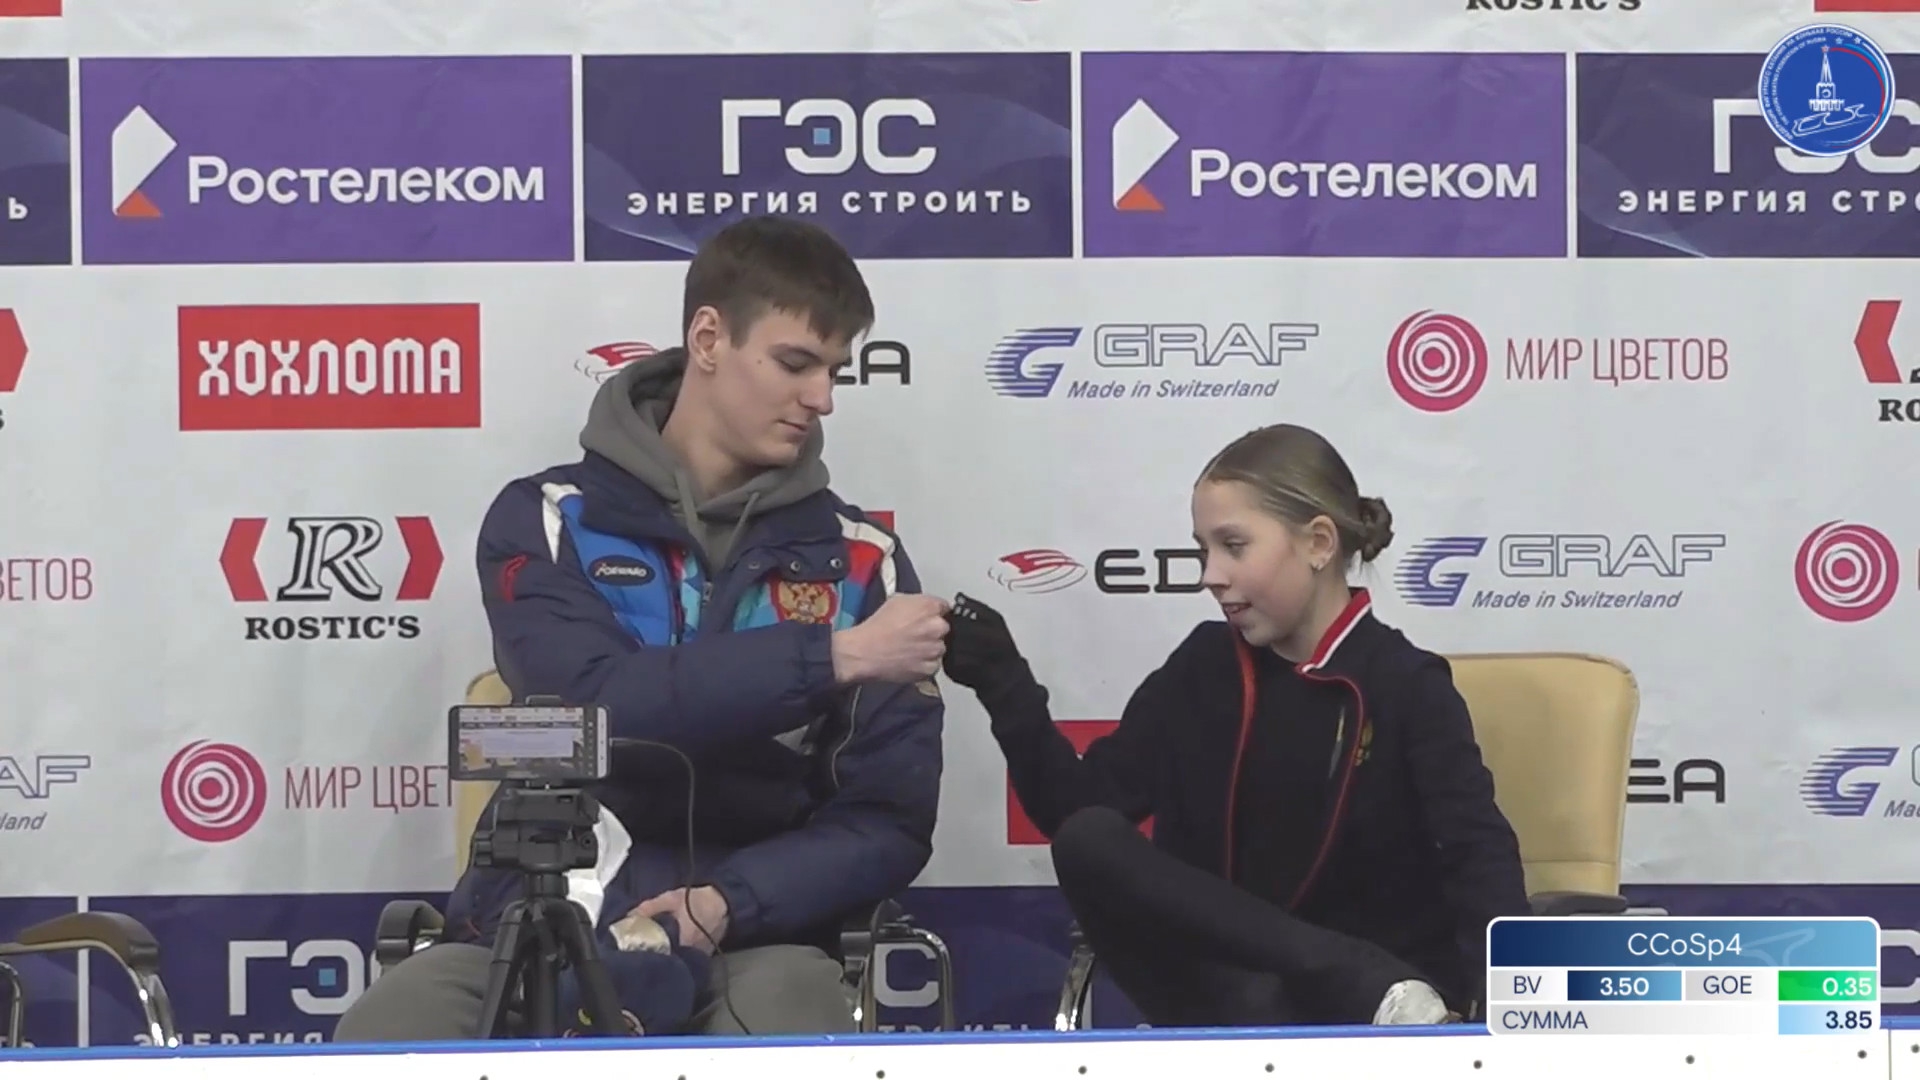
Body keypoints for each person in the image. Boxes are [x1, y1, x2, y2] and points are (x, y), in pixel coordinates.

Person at [336, 216, 951, 1041]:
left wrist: (725, 903)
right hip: (542, 920)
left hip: (750, 938)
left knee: (786, 1024)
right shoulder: (547, 518)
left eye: (835, 371)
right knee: (393, 1027)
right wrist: (832, 657)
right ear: (708, 339)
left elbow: (888, 820)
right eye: (795, 364)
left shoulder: (863, 560)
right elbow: (589, 707)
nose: (822, 398)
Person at [941, 423, 1529, 1028]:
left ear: (1319, 543)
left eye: (1234, 546)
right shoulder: (1203, 665)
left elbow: (1477, 853)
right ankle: (1353, 976)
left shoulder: (1406, 683)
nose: (1210, 574)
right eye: (1204, 549)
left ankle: (1366, 988)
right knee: (1087, 838)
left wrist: (1510, 1017)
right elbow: (1076, 815)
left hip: (1382, 1022)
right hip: (1234, 1006)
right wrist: (1004, 683)